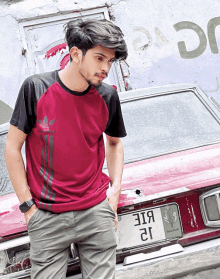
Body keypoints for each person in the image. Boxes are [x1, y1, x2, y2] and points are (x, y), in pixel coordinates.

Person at [4, 18, 128, 279]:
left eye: (110, 60)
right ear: (75, 54)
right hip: (47, 216)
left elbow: (114, 143)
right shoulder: (36, 89)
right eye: (99, 58)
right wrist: (28, 207)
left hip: (96, 211)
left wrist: (114, 193)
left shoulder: (107, 96)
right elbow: (13, 148)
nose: (106, 67)